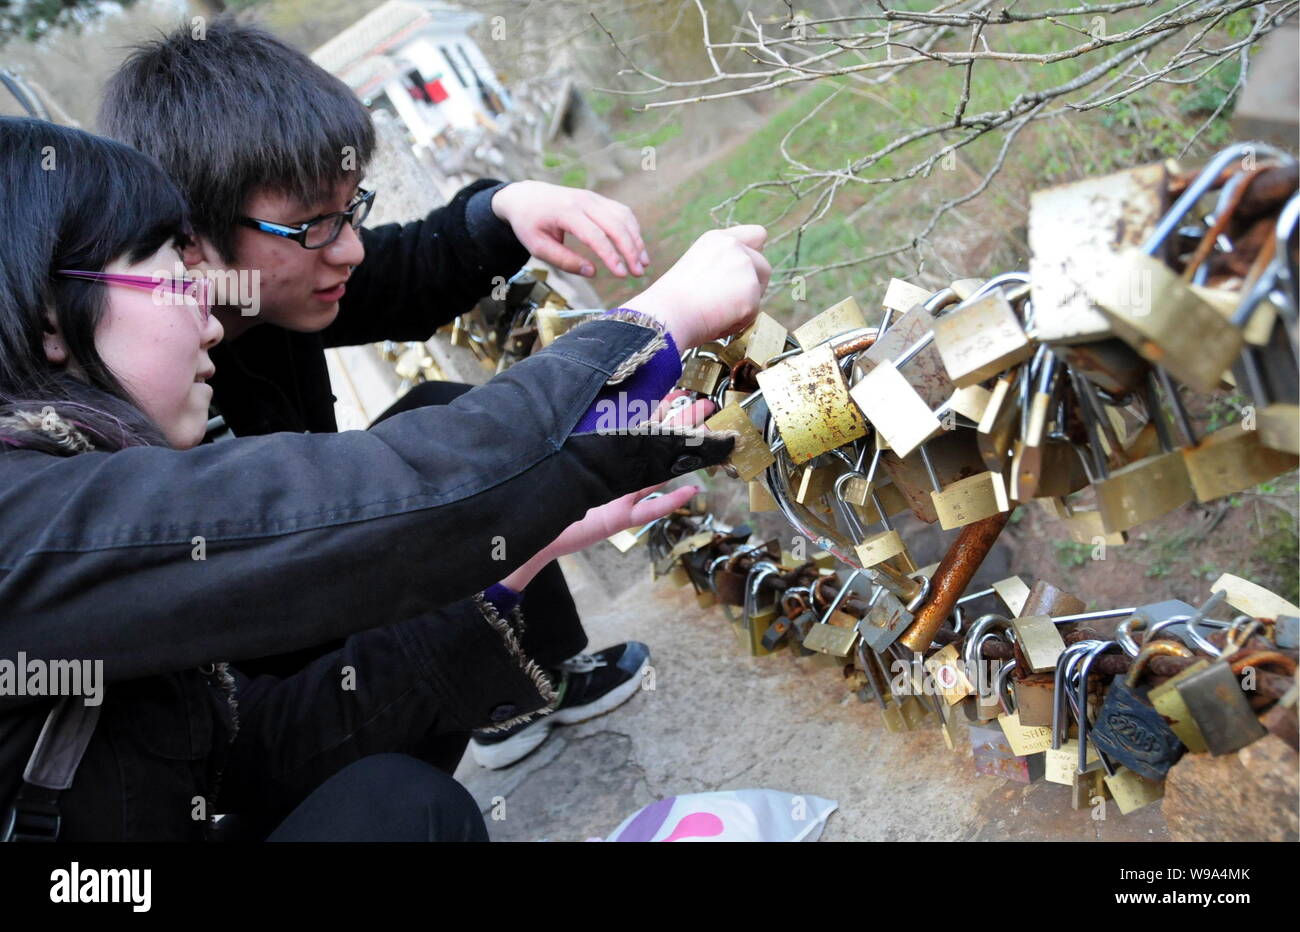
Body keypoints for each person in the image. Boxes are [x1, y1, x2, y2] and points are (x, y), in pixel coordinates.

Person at [0, 117, 769, 840]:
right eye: (176, 281)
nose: (207, 316)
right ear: (50, 315)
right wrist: (656, 324)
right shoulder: (26, 523)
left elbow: (249, 758)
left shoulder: (84, 464)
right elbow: (375, 500)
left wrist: (517, 557)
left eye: (350, 211)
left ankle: (531, 686)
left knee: (400, 808)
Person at [100, 18, 693, 770]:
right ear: (191, 238)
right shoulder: (135, 409)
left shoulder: (276, 285)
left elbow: (408, 272)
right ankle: (457, 706)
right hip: (281, 687)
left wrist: (508, 206)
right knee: (440, 466)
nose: (348, 247)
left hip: (330, 572)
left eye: (352, 210)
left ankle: (528, 683)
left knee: (439, 414)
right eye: (315, 224)